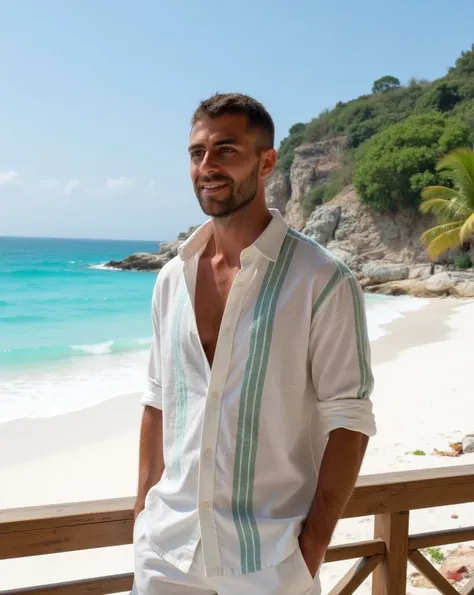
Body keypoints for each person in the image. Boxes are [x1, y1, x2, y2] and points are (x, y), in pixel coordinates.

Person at [132, 93, 376, 595]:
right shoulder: (172, 279)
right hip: (167, 553)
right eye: (197, 152)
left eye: (226, 150)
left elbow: (349, 419)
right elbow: (158, 400)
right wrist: (141, 513)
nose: (207, 166)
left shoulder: (322, 279)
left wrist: (312, 548)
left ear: (266, 162)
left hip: (270, 560)